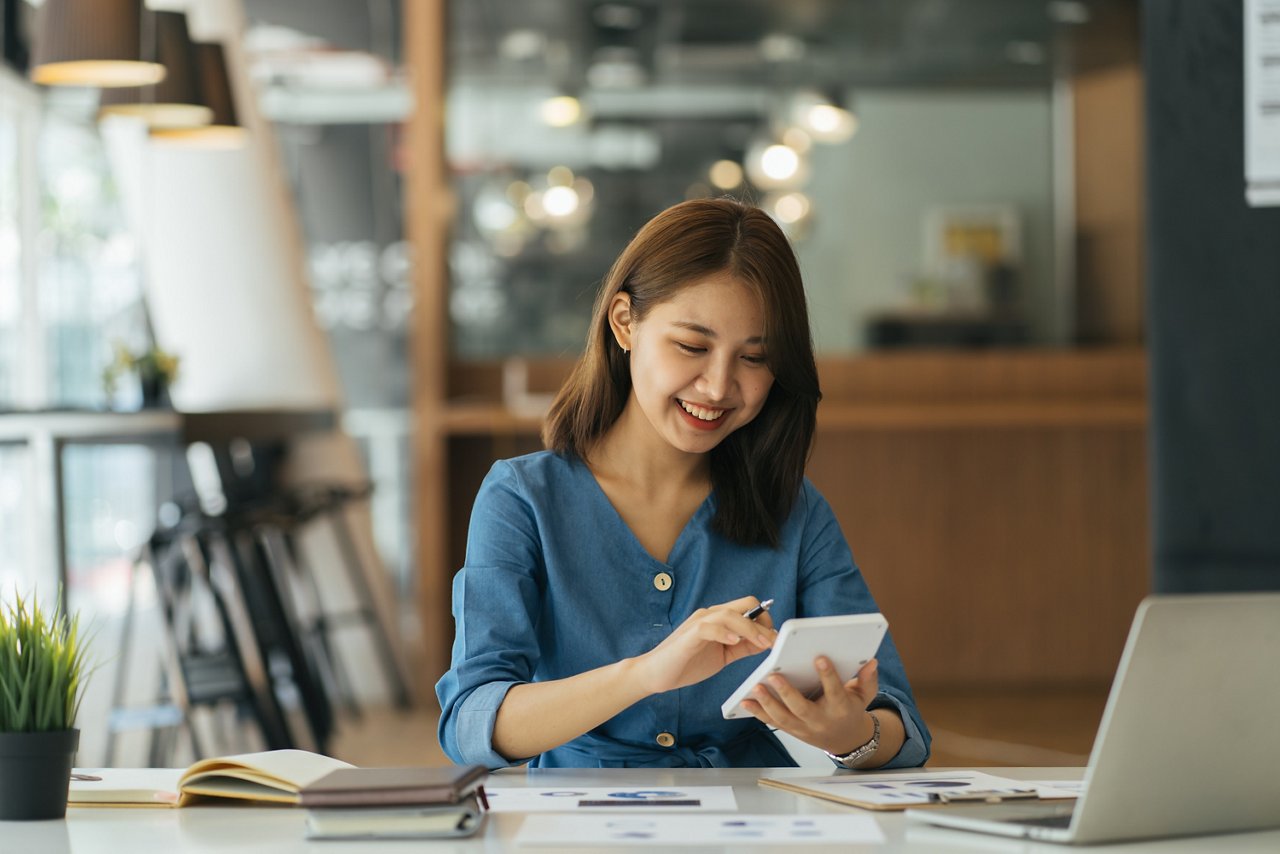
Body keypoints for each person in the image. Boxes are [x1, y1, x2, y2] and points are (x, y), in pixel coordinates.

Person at [436, 198, 930, 769]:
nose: (719, 386)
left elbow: (902, 727)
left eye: (755, 358)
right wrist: (646, 673)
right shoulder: (522, 499)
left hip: (758, 824)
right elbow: (470, 722)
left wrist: (852, 735)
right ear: (624, 322)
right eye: (692, 347)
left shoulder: (796, 510)